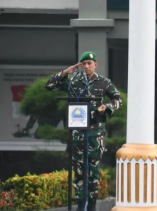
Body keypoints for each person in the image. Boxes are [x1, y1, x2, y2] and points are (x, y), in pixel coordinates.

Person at [46, 51, 122, 211]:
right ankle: (80, 204)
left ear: (96, 64)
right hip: (77, 131)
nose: (86, 66)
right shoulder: (73, 81)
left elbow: (117, 99)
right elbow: (49, 86)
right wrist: (65, 73)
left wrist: (107, 107)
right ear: (80, 65)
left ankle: (92, 205)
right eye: (83, 64)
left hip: (96, 131)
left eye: (89, 63)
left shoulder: (103, 82)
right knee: (78, 169)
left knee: (94, 169)